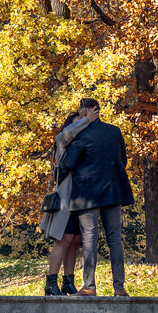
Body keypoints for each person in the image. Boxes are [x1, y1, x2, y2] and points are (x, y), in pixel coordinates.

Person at [59, 98, 135, 297]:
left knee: (90, 240)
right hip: (113, 191)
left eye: (80, 111)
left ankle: (89, 286)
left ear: (87, 110)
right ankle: (119, 287)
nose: (79, 115)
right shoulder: (114, 131)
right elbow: (122, 160)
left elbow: (67, 163)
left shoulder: (81, 133)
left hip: (87, 194)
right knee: (115, 240)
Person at [39, 108, 94, 295]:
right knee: (63, 239)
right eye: (77, 120)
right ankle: (50, 283)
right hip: (66, 198)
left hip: (81, 198)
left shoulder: (82, 142)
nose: (82, 122)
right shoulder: (63, 140)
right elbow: (67, 133)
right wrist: (86, 119)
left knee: (75, 240)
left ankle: (68, 282)